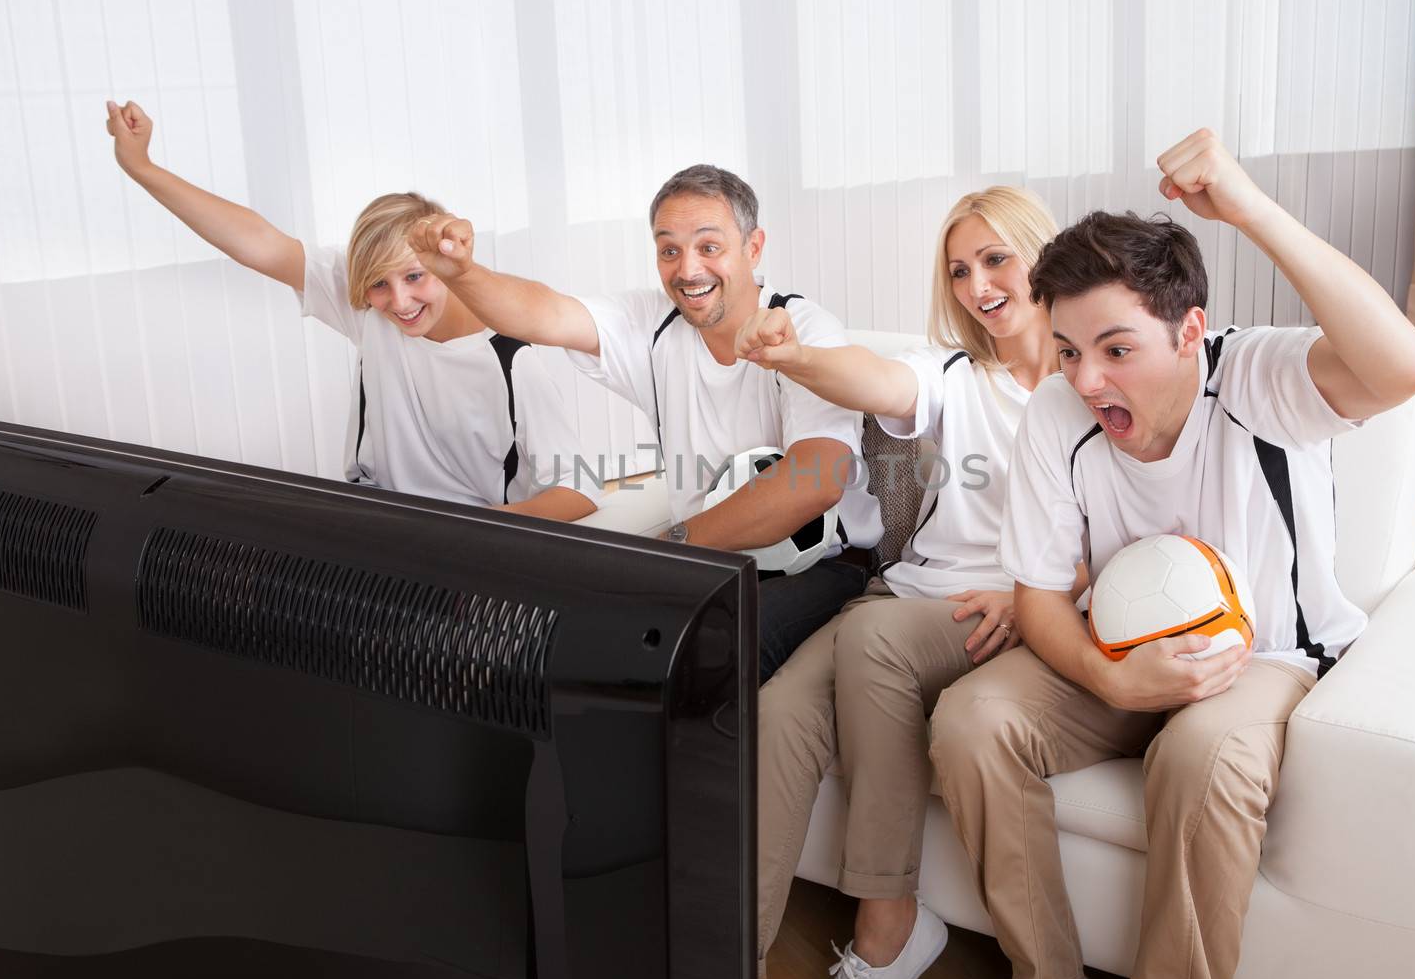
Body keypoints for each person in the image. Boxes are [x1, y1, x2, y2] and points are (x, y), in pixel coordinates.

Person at [928, 128, 1415, 979]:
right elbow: (1041, 596)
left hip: (1265, 660)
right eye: (1069, 350)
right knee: (971, 720)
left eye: (1117, 349)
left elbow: (1405, 367)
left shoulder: (1255, 377)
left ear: (1190, 331)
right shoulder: (1057, 412)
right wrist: (1105, 675)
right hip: (1115, 656)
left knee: (1199, 756)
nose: (1088, 380)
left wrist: (1245, 205)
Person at [739, 187, 1073, 979]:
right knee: (780, 712)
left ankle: (886, 927)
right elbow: (880, 382)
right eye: (959, 270)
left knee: (870, 640)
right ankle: (723, 956)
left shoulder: (1091, 377)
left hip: (1003, 610)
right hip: (915, 593)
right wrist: (797, 357)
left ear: (1045, 257)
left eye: (996, 259)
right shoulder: (955, 374)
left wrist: (1038, 598)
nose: (976, 285)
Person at [404, 165, 883, 679]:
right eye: (669, 250)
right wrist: (462, 274)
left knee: (705, 654)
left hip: (822, 568)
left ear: (753, 246)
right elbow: (545, 315)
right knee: (566, 637)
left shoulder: (803, 330)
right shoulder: (652, 324)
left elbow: (815, 481)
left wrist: (671, 546)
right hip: (709, 564)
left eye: (709, 246)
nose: (687, 269)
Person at [104, 100, 596, 520]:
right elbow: (258, 242)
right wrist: (143, 167)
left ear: (444, 262)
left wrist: (476, 531)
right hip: (373, 526)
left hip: (467, 547)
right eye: (379, 284)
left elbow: (581, 489)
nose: (399, 302)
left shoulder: (513, 359)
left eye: (414, 277)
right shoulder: (369, 310)